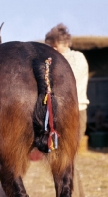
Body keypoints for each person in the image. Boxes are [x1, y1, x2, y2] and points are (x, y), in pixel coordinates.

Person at [45, 23, 90, 197]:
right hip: (72, 113)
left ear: (56, 46)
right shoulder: (75, 58)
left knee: (67, 162)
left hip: (71, 114)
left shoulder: (70, 59)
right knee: (67, 161)